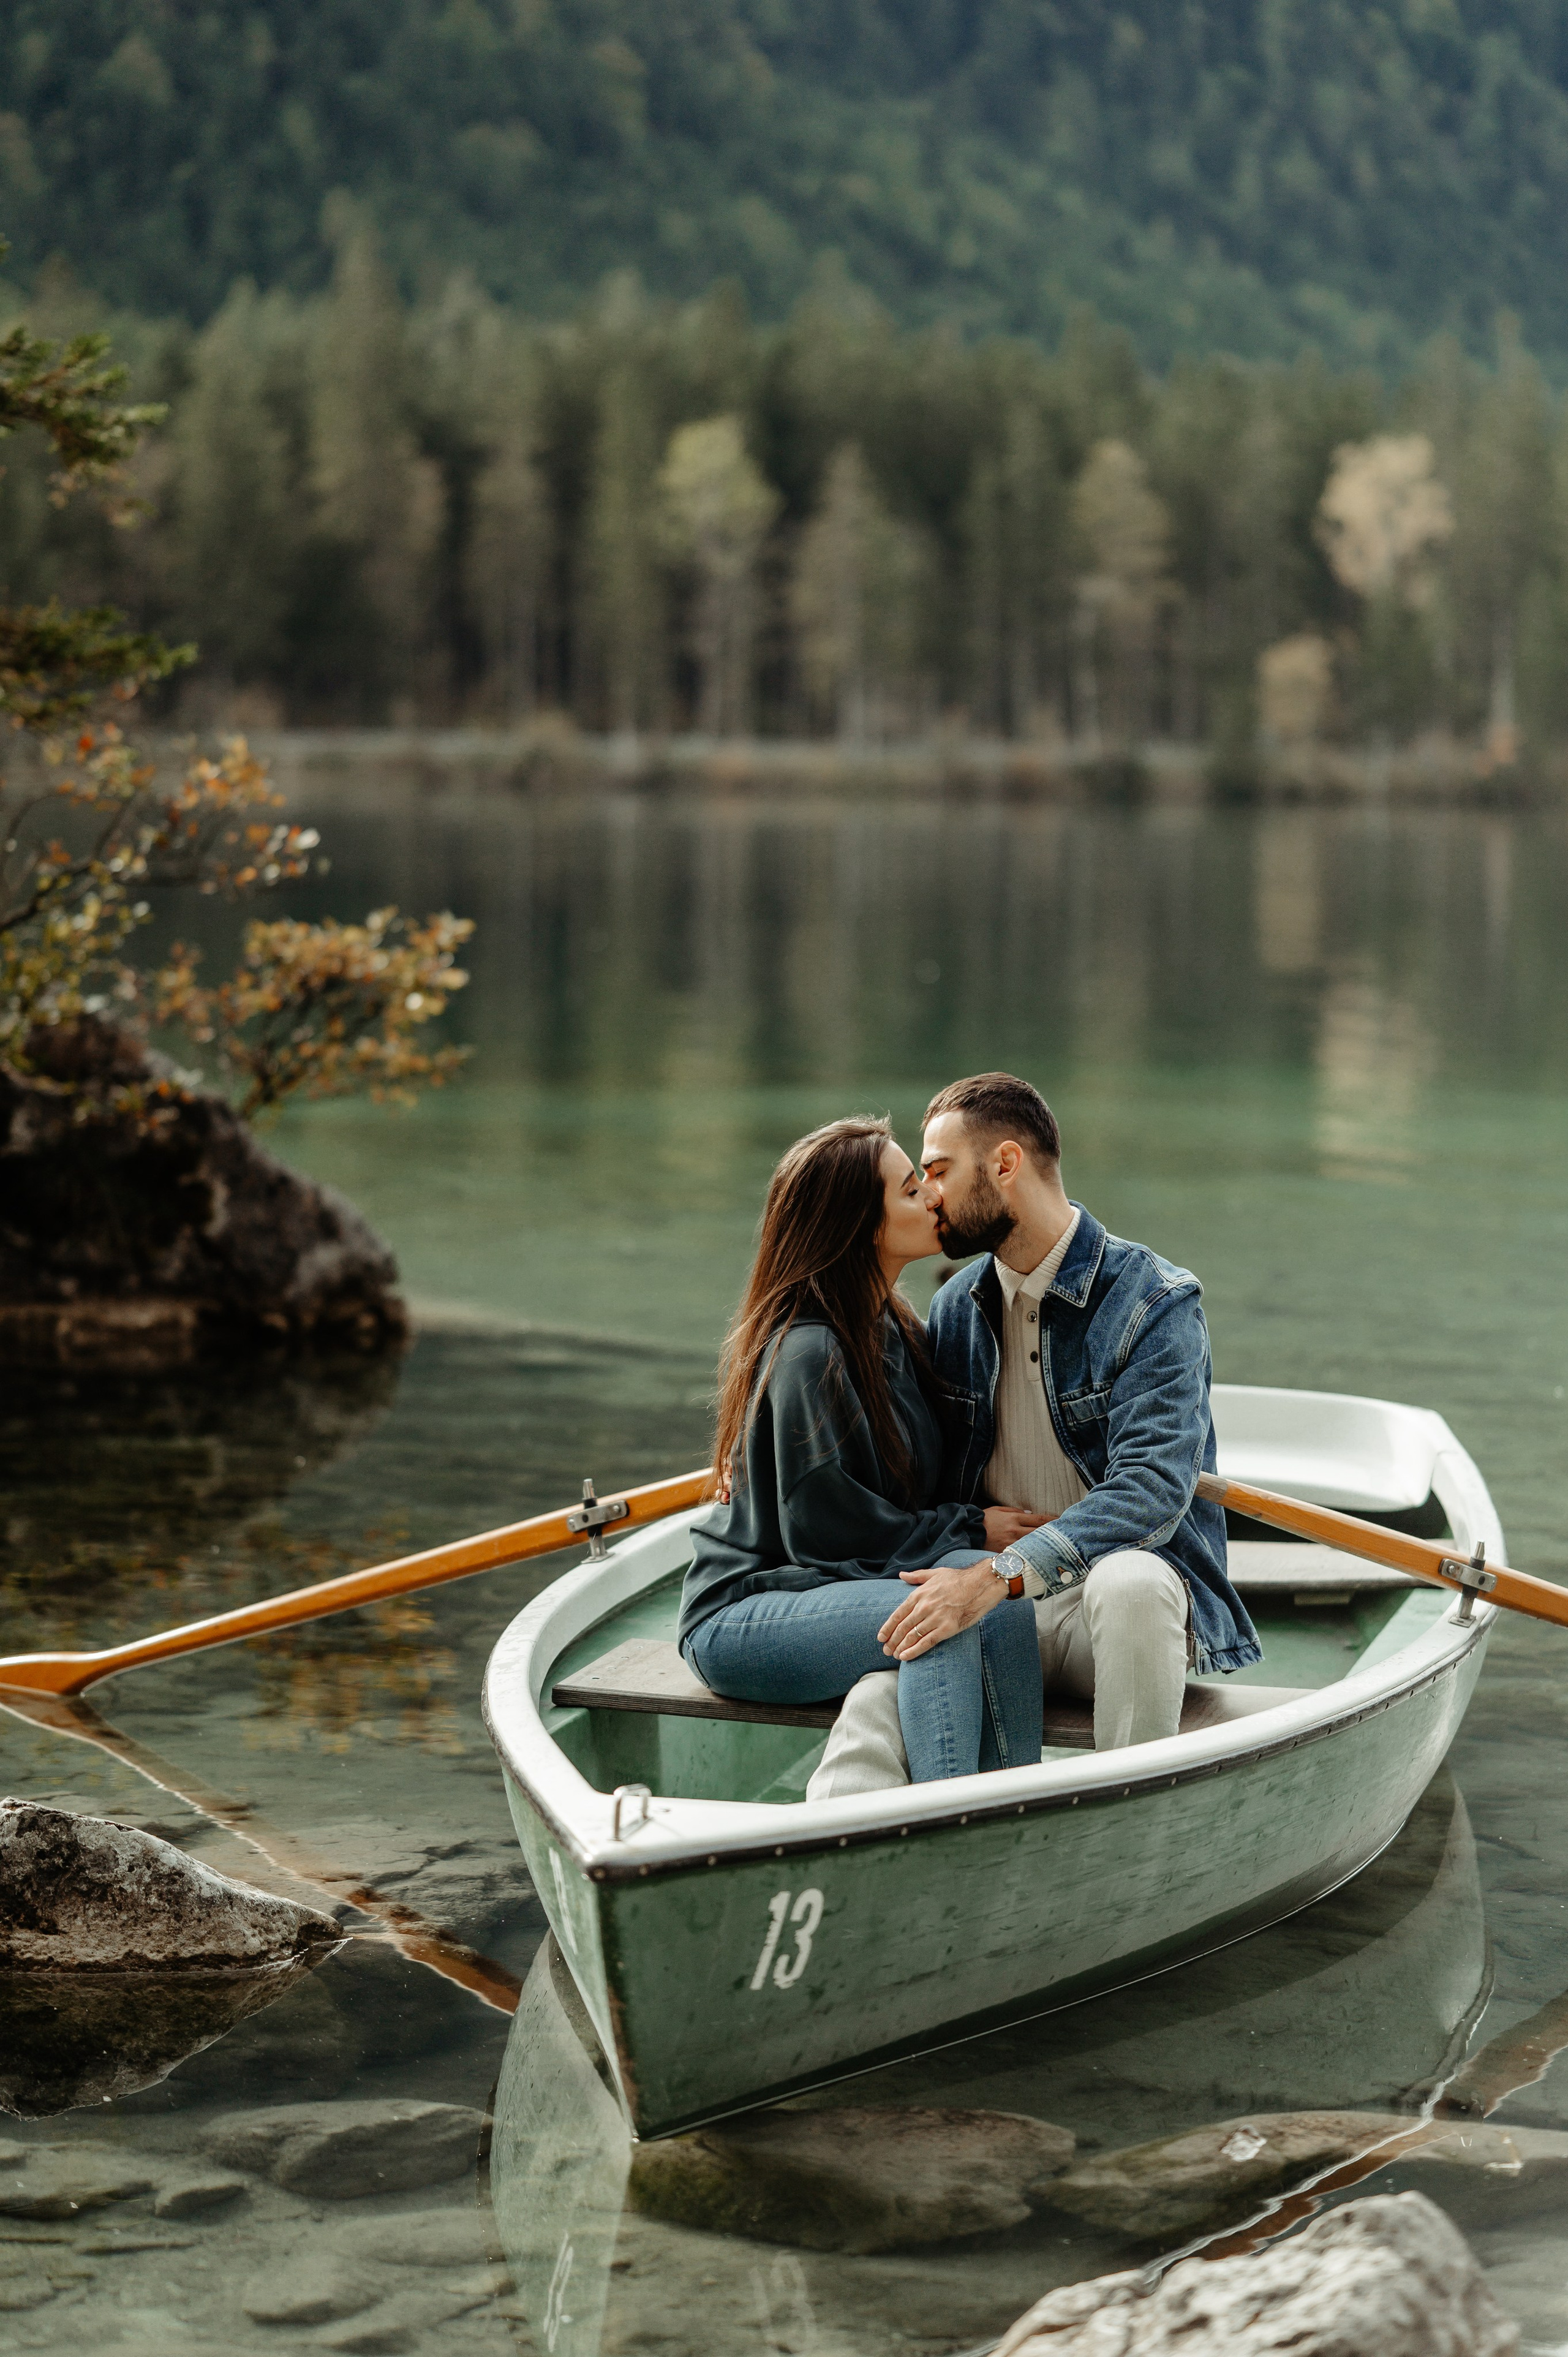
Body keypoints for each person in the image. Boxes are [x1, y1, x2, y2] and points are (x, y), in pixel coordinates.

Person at [807, 1073, 1259, 1798]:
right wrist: (757, 1448)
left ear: (1006, 1165)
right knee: (871, 1700)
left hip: (1102, 1617)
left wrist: (998, 1573)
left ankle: (1128, 1825)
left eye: (940, 1171)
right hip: (992, 1609)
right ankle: (824, 1863)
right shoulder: (957, 1305)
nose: (928, 1194)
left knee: (1134, 1581)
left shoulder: (1153, 1301)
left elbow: (1151, 1491)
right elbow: (897, 1438)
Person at [677, 1115, 1046, 1783]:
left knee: (995, 1593)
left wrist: (984, 1540)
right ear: (863, 1226)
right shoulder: (809, 1352)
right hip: (742, 1612)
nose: (933, 1197)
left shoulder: (893, 1327)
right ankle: (947, 1822)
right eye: (911, 1191)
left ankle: (1012, 1804)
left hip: (828, 1588)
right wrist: (971, 1526)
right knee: (941, 1612)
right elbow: (830, 1533)